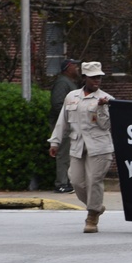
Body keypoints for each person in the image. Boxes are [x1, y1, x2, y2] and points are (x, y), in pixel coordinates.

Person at [48, 62, 114, 233]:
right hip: (78, 145)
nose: (96, 81)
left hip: (99, 146)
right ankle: (97, 206)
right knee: (76, 181)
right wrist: (55, 142)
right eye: (93, 77)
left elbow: (105, 125)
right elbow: (62, 121)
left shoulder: (107, 98)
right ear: (85, 77)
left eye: (99, 77)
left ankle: (92, 217)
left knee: (94, 181)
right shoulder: (72, 96)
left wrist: (101, 108)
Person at [51, 59, 80, 193]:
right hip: (63, 126)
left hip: (70, 125)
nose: (77, 68)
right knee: (63, 154)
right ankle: (61, 184)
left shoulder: (69, 82)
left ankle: (67, 182)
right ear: (68, 68)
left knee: (68, 154)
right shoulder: (63, 82)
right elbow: (57, 104)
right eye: (75, 66)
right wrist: (68, 120)